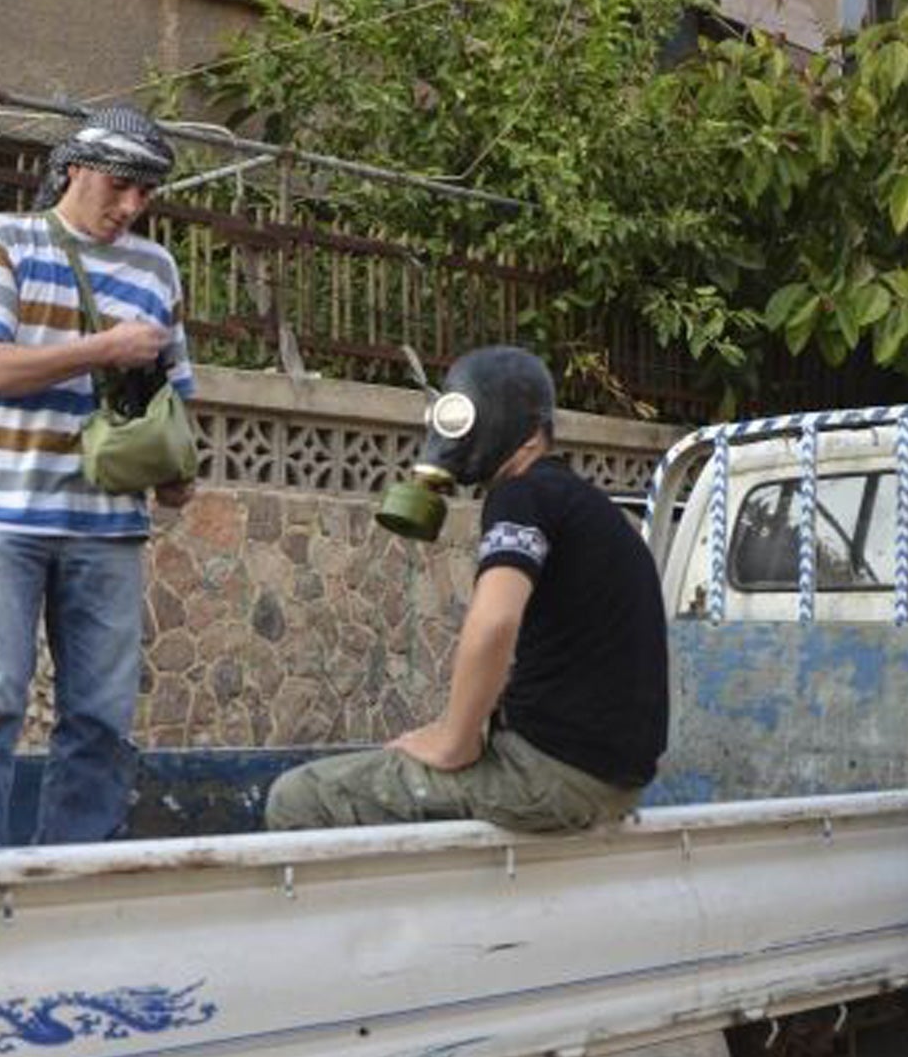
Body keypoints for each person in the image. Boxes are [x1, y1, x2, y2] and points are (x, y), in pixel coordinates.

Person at [0, 105, 195, 851]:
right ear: (75, 168)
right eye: (120, 186)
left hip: (109, 524)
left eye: (147, 194)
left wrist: (177, 470)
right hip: (0, 515)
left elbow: (178, 391)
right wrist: (103, 347)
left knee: (103, 719)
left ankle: (72, 877)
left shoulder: (157, 268)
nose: (132, 207)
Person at [265, 346, 667, 831]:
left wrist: (454, 740)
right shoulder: (588, 506)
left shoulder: (521, 495)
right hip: (609, 780)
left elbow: (496, 619)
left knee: (301, 798)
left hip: (550, 777)